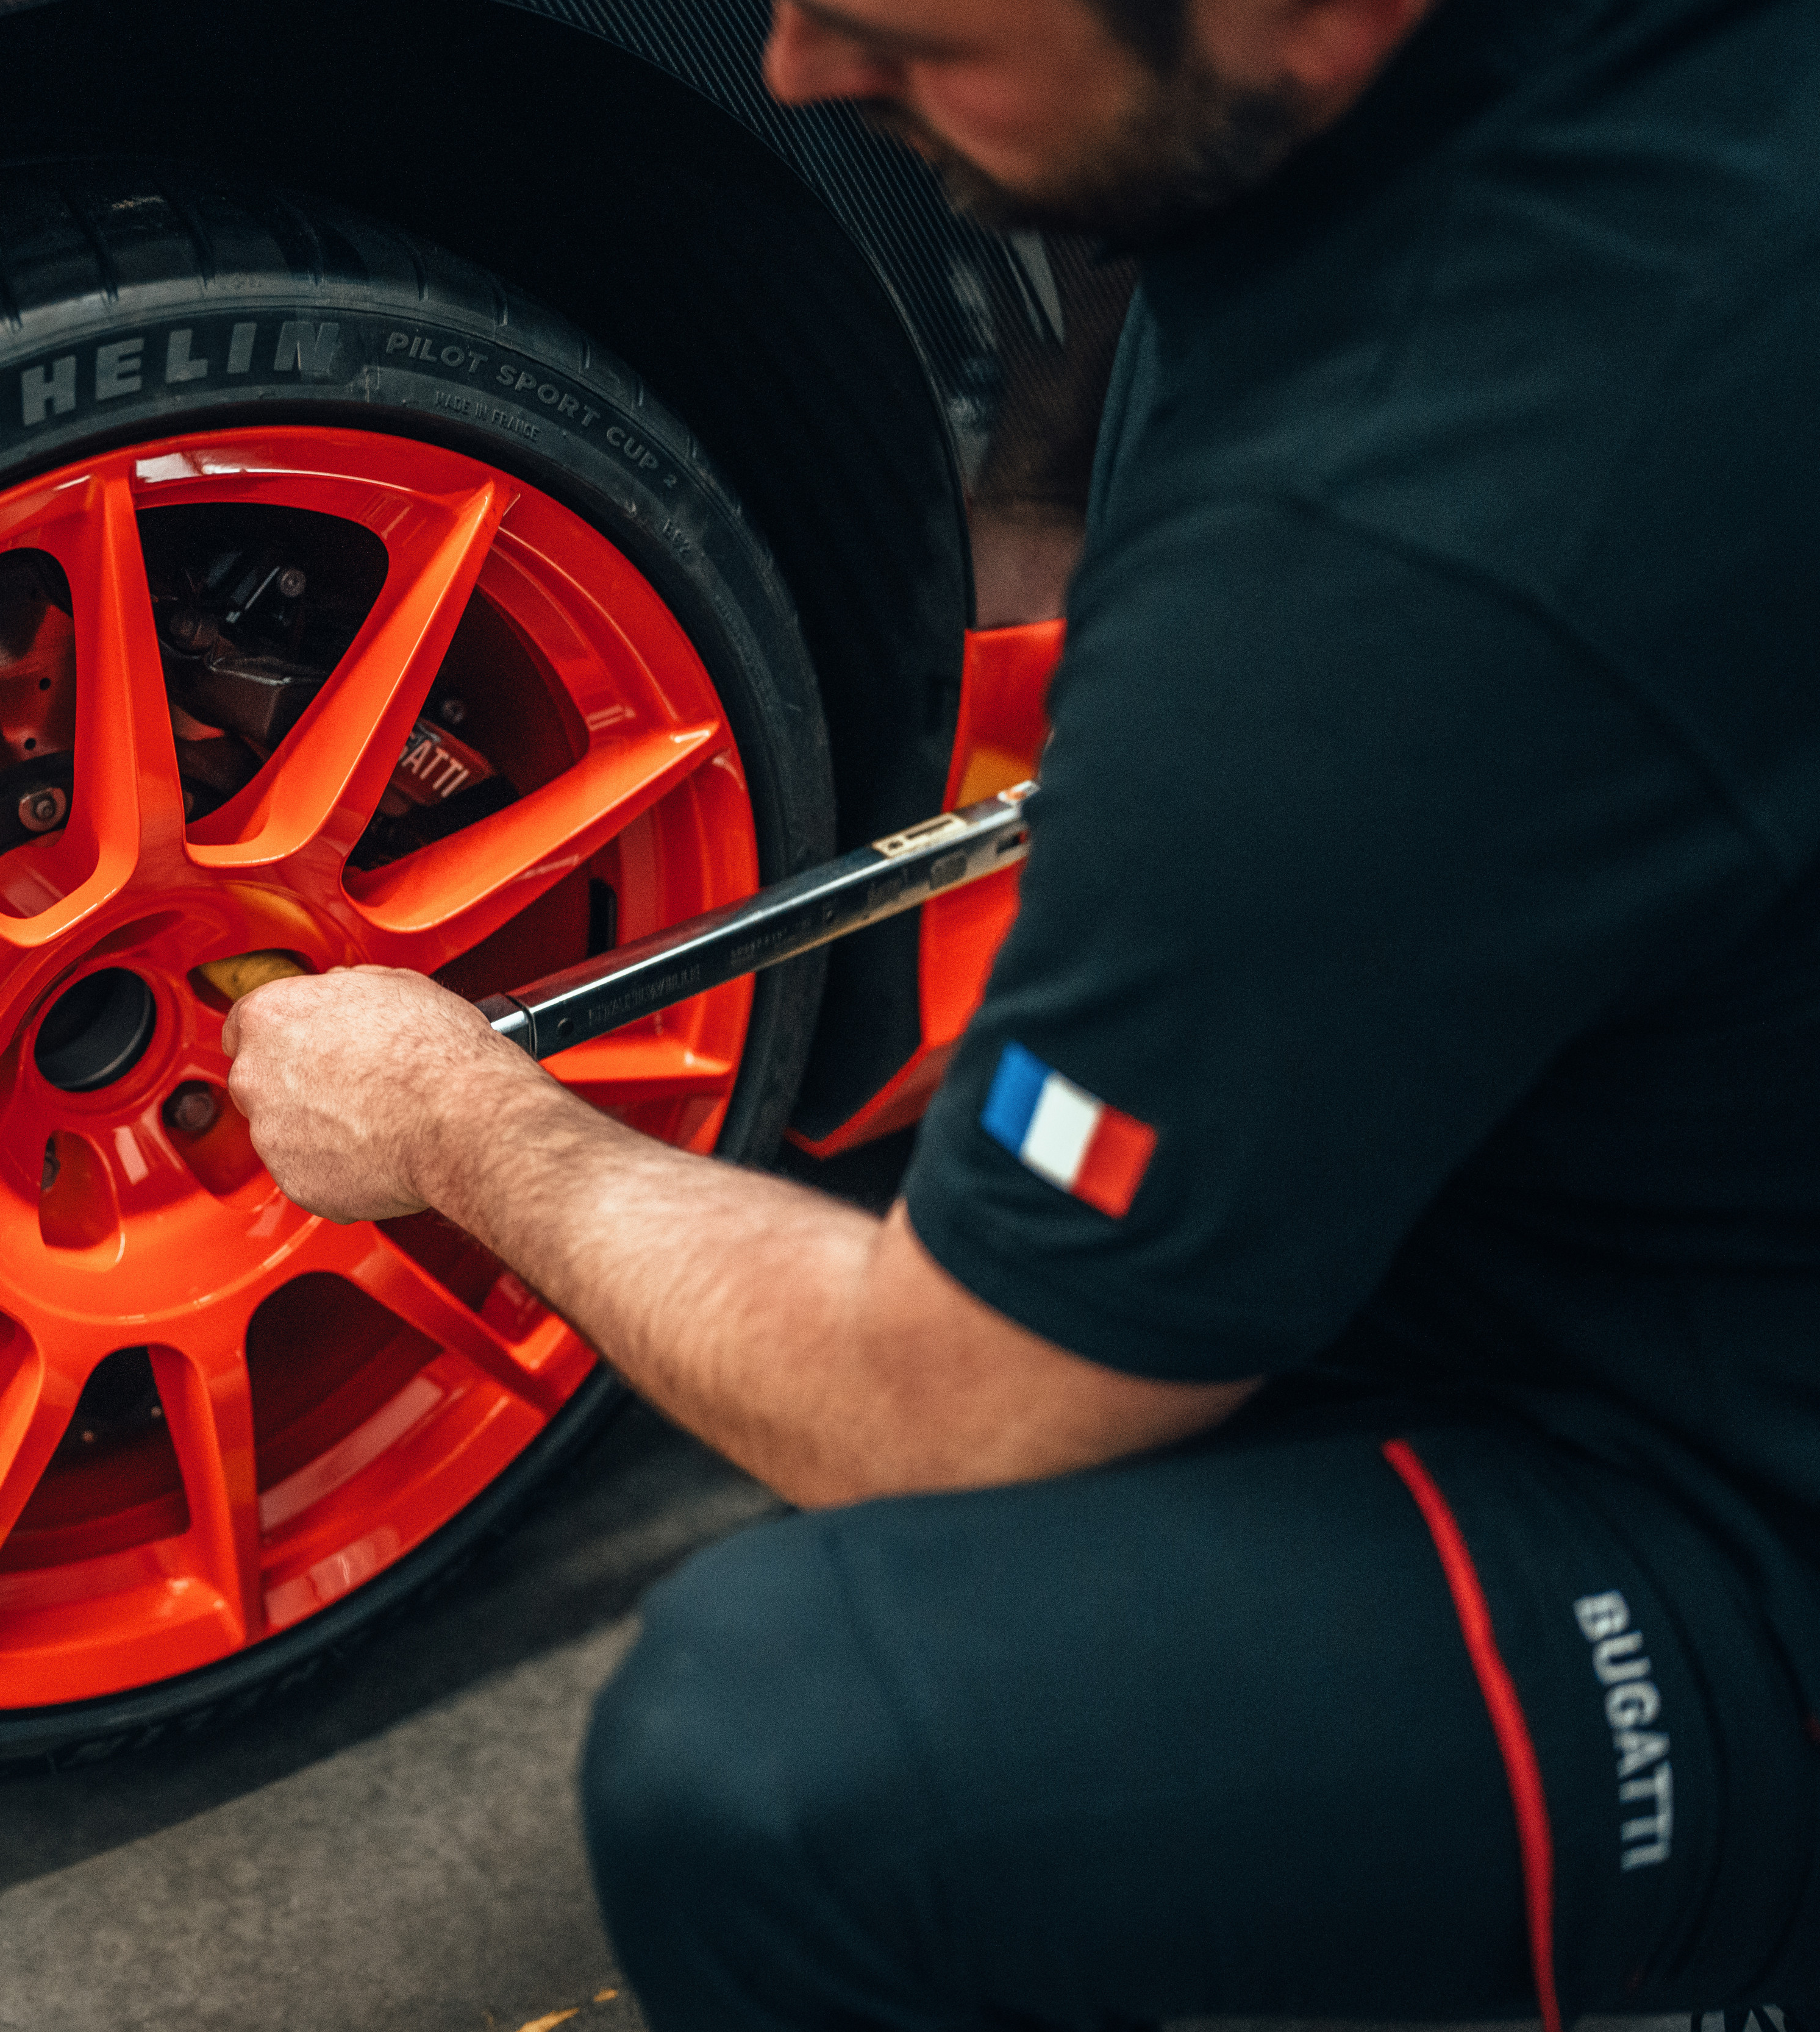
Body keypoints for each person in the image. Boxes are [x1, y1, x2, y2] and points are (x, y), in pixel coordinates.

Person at [216, 0, 1820, 2023]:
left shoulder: (1380, 581)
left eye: (909, 34)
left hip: (1739, 1505)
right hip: (1674, 1045)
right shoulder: (1491, 123)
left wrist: (455, 1121)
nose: (792, 70)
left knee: (783, 1760)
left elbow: (945, 1404)